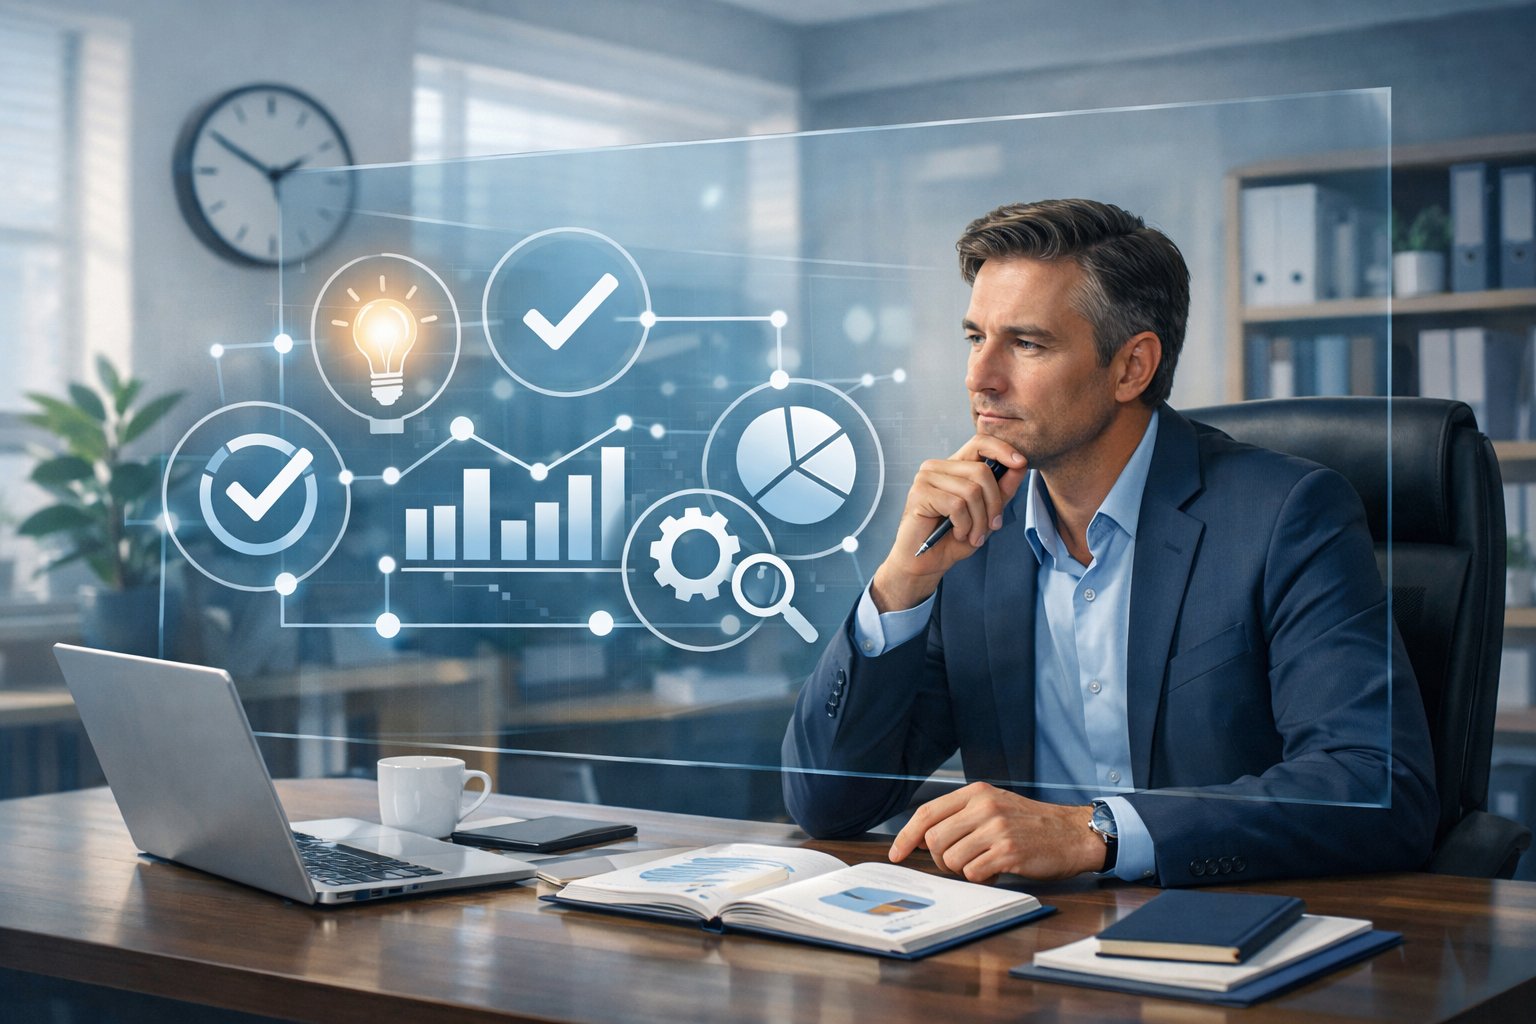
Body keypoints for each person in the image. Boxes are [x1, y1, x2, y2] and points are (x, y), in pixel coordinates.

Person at [781, 198, 1437, 887]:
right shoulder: (976, 540)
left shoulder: (1285, 516)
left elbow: (1375, 784)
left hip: (1225, 936)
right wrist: (899, 586)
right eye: (976, 337)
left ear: (1132, 368)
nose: (980, 376)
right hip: (1016, 950)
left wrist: (1098, 831)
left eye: (1027, 344)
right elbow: (829, 802)